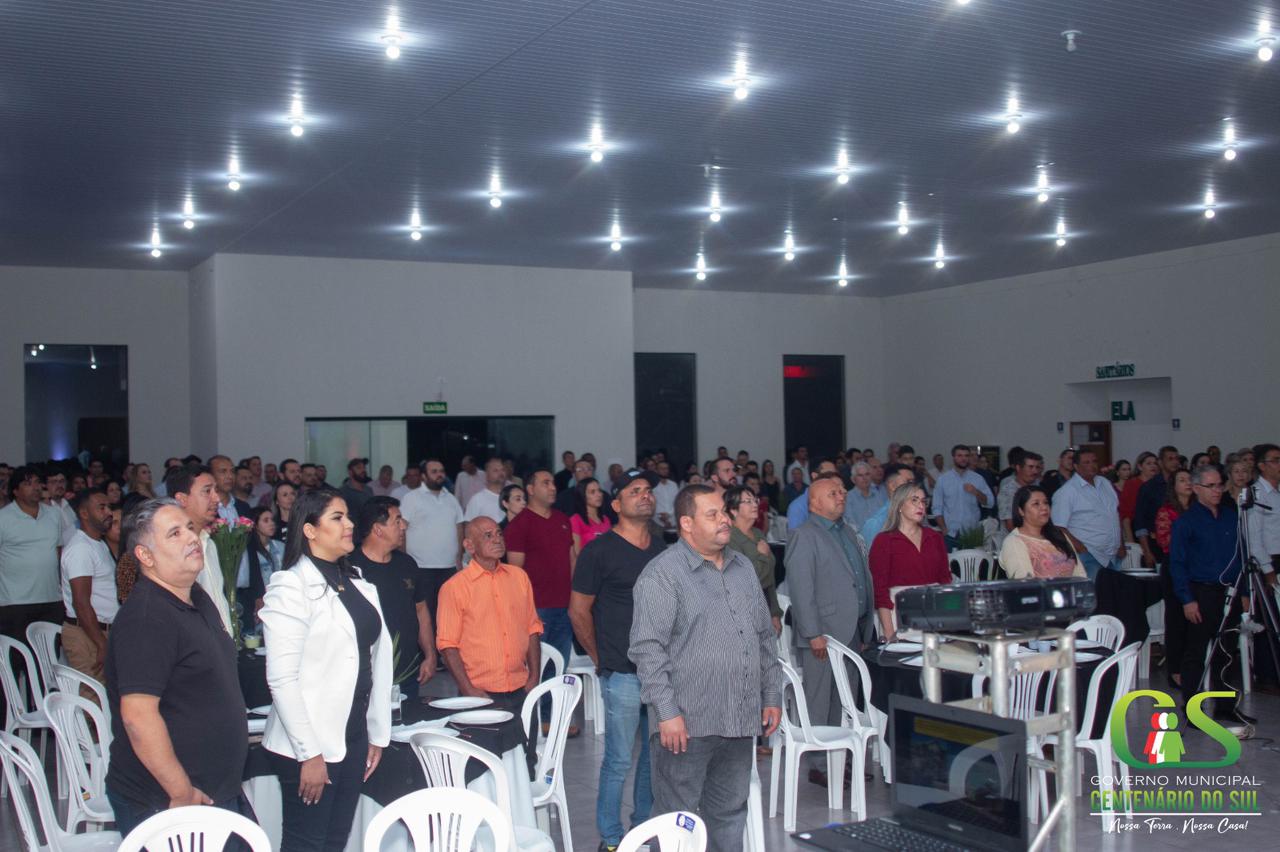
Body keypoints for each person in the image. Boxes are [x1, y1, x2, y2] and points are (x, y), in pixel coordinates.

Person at [629, 485, 782, 852]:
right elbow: (648, 650)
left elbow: (764, 636)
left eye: (724, 512)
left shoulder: (743, 567)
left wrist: (771, 695)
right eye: (712, 514)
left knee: (729, 814)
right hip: (687, 723)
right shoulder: (662, 574)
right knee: (676, 821)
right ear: (686, 523)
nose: (724, 520)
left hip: (739, 717)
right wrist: (668, 713)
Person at [104, 499, 250, 836]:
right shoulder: (147, 617)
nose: (191, 537)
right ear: (146, 555)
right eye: (174, 533)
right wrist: (181, 791)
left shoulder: (195, 596)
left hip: (215, 790)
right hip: (169, 799)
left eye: (189, 528)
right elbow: (138, 717)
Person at [259, 489, 393, 851]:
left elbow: (374, 662)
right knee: (306, 844)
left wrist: (376, 732)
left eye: (347, 516)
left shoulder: (355, 580)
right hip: (309, 743)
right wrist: (309, 754)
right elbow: (281, 679)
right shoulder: (291, 585)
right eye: (337, 518)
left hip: (353, 735)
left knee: (335, 840)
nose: (349, 524)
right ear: (310, 530)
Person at [568, 470, 664, 851]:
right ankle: (610, 838)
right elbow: (578, 611)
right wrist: (599, 657)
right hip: (622, 672)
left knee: (654, 759)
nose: (645, 495)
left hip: (660, 673)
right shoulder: (599, 551)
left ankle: (641, 828)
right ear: (617, 504)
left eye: (648, 490)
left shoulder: (662, 547)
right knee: (619, 759)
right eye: (634, 491)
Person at [784, 472, 875, 785]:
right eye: (833, 493)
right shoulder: (805, 535)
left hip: (851, 628)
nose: (841, 496)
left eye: (842, 492)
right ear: (814, 503)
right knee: (821, 698)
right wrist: (812, 633)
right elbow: (801, 588)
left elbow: (856, 576)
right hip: (822, 633)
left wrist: (865, 625)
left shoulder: (846, 530)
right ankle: (818, 764)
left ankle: (841, 760)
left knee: (845, 697)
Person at [435, 517, 542, 713]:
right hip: (479, 693)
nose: (497, 539)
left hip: (522, 687)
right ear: (469, 546)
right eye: (488, 535)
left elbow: (532, 628)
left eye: (499, 533)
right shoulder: (455, 587)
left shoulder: (519, 577)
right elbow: (447, 645)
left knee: (526, 734)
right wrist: (468, 689)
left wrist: (534, 676)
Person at [505, 469, 578, 732]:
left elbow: (571, 559)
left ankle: (550, 719)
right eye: (545, 483)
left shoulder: (562, 520)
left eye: (553, 483)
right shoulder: (520, 524)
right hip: (536, 608)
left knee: (558, 666)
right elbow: (515, 573)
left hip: (564, 605)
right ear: (530, 489)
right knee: (533, 667)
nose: (552, 487)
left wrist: (575, 598)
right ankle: (529, 719)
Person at [1169, 465, 1243, 715]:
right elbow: (1177, 563)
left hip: (1229, 592)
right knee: (1196, 652)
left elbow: (1240, 557)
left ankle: (1225, 707)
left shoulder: (1230, 516)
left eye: (1219, 485)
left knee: (1227, 650)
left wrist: (1243, 592)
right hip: (1201, 592)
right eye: (1210, 486)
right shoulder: (1186, 521)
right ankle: (1193, 709)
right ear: (1196, 488)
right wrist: (1187, 599)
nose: (1217, 490)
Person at [349, 497, 437, 699]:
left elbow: (421, 611)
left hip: (407, 672)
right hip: (365, 674)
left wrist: (430, 655)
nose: (404, 526)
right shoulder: (349, 568)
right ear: (378, 529)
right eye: (397, 521)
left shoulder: (407, 564)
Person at [868, 485, 952, 640]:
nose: (921, 505)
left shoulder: (934, 537)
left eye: (923, 501)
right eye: (914, 500)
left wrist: (948, 623)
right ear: (900, 505)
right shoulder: (884, 541)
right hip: (898, 617)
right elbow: (880, 591)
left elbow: (945, 582)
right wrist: (889, 632)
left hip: (934, 617)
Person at [60, 487, 118, 689]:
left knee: (106, 696)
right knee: (92, 697)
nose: (109, 512)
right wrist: (101, 643)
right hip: (88, 635)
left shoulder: (97, 543)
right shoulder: (81, 548)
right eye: (101, 508)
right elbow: (81, 602)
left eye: (109, 507)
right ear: (84, 514)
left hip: (100, 632)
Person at [165, 463, 233, 633]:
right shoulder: (172, 549)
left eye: (216, 490)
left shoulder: (209, 543)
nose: (216, 499)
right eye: (207, 491)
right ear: (182, 499)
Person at [0, 466, 66, 641]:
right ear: (15, 491)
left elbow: (58, 552)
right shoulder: (3, 518)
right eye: (28, 483)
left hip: (51, 599)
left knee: (49, 653)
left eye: (37, 482)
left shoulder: (54, 514)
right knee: (18, 653)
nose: (35, 487)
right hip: (15, 602)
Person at [398, 460, 465, 624]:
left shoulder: (451, 499)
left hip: (449, 568)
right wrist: (403, 561)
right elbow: (401, 530)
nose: (439, 474)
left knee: (449, 616)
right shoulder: (411, 498)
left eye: (441, 471)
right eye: (434, 471)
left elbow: (459, 527)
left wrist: (459, 558)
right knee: (425, 617)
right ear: (423, 476)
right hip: (421, 568)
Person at [1050, 449, 1125, 580]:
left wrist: (1121, 544)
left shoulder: (1105, 483)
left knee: (1113, 592)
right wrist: (1080, 548)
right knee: (1091, 592)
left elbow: (1114, 515)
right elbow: (1058, 527)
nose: (1092, 465)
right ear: (1076, 466)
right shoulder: (1067, 492)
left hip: (1113, 555)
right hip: (1089, 555)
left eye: (1094, 461)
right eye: (1086, 462)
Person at [724, 486, 782, 634]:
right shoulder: (730, 539)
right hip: (745, 609)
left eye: (755, 500)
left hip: (765, 603)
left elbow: (770, 577)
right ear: (733, 510)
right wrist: (762, 556)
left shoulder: (758, 533)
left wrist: (774, 613)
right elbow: (745, 579)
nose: (755, 504)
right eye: (748, 501)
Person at [1154, 469, 1193, 686]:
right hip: (1174, 567)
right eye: (1182, 480)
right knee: (1176, 619)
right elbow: (1164, 541)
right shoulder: (1166, 511)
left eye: (1190, 479)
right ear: (1174, 486)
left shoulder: (1198, 509)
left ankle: (1193, 667)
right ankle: (1175, 670)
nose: (1187, 483)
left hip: (1196, 568)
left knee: (1194, 621)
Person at [999, 486, 1086, 580]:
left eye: (1046, 503)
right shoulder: (1014, 542)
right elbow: (1024, 582)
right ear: (1021, 511)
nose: (1044, 507)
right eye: (1036, 504)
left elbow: (1079, 573)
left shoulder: (1059, 535)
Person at [930, 445, 993, 546]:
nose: (963, 459)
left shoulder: (977, 479)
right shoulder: (943, 480)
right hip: (950, 534)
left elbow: (990, 502)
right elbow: (937, 508)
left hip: (972, 534)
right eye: (959, 455)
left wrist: (976, 492)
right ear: (953, 457)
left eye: (966, 456)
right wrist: (944, 529)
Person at [235, 506, 284, 623]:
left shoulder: (281, 547)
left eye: (272, 520)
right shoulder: (250, 553)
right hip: (262, 601)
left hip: (281, 600)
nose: (271, 523)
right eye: (266, 520)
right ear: (255, 525)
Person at [1135, 446, 1182, 568]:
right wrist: (1146, 551)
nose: (1175, 462)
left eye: (1176, 458)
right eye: (1170, 459)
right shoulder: (1149, 487)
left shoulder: (1184, 486)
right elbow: (1140, 522)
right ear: (1160, 462)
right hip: (1155, 544)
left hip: (1180, 543)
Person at [860, 463, 916, 550]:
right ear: (892, 486)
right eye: (908, 482)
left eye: (913, 482)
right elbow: (872, 557)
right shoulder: (876, 524)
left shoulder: (916, 515)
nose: (914, 487)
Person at [786, 459, 840, 530]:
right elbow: (797, 536)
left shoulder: (840, 500)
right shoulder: (798, 507)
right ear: (815, 476)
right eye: (828, 475)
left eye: (835, 475)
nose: (834, 479)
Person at [999, 451, 1044, 532]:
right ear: (1018, 468)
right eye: (1030, 467)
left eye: (1037, 467)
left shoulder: (1037, 486)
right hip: (1016, 537)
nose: (1035, 471)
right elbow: (1010, 524)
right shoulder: (1008, 491)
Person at [1120, 452, 1158, 543]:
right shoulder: (1132, 484)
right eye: (1149, 463)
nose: (1153, 466)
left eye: (1155, 463)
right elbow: (1126, 515)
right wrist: (1130, 540)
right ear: (1140, 467)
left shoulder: (1159, 484)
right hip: (1137, 530)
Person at [843, 461, 887, 532]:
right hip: (860, 536)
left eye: (867, 474)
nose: (864, 478)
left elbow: (886, 517)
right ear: (853, 479)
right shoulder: (848, 498)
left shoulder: (880, 494)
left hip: (882, 534)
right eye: (860, 475)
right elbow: (850, 523)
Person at [571, 477, 613, 551]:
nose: (598, 495)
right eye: (592, 492)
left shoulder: (606, 519)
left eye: (599, 490)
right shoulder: (576, 520)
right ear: (582, 495)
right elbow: (576, 552)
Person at [463, 457, 507, 523]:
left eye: (503, 470)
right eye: (495, 470)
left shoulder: (512, 496)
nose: (500, 473)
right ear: (487, 475)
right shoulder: (477, 499)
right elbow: (468, 524)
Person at [208, 455, 247, 525]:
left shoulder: (244, 507)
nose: (230, 476)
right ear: (211, 475)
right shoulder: (205, 508)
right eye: (223, 471)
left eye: (232, 471)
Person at [653, 461, 680, 532]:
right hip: (657, 521)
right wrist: (660, 516)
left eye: (666, 468)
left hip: (673, 521)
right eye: (662, 468)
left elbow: (677, 502)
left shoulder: (673, 485)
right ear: (656, 470)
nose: (665, 470)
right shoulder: (653, 486)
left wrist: (669, 516)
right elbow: (652, 503)